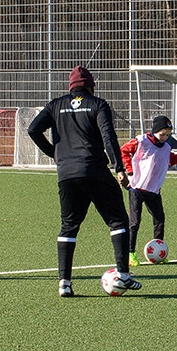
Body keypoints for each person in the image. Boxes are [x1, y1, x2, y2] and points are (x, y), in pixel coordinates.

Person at [27, 65, 141, 297]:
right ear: (91, 86)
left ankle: (64, 283)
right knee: (118, 220)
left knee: (69, 226)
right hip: (94, 169)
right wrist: (119, 168)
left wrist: (54, 153)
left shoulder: (55, 105)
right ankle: (124, 275)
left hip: (66, 173)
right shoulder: (98, 104)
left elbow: (32, 130)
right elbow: (108, 136)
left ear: (71, 87)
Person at [120, 116, 177, 266]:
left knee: (159, 220)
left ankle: (159, 251)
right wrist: (129, 169)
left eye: (167, 135)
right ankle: (130, 254)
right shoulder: (141, 141)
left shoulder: (166, 147)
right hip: (137, 188)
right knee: (134, 222)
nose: (164, 138)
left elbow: (170, 160)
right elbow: (124, 151)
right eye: (162, 134)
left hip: (153, 190)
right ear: (154, 132)